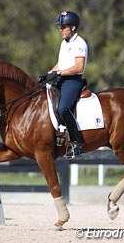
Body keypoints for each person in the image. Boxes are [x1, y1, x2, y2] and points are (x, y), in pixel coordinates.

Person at [41, 11, 88, 158]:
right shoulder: (64, 43)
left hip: (72, 81)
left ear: (73, 27)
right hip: (61, 79)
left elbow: (79, 67)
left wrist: (59, 73)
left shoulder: (80, 43)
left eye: (63, 27)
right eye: (60, 27)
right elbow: (61, 64)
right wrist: (49, 73)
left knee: (63, 108)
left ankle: (76, 142)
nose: (60, 29)